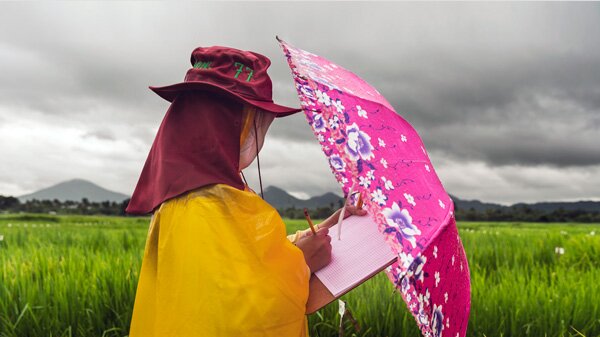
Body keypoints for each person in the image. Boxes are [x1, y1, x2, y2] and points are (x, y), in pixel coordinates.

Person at [126, 46, 365, 337]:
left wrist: (325, 228)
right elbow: (239, 318)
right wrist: (302, 263)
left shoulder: (218, 194)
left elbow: (251, 259)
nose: (259, 134)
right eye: (257, 121)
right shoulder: (198, 206)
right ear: (227, 123)